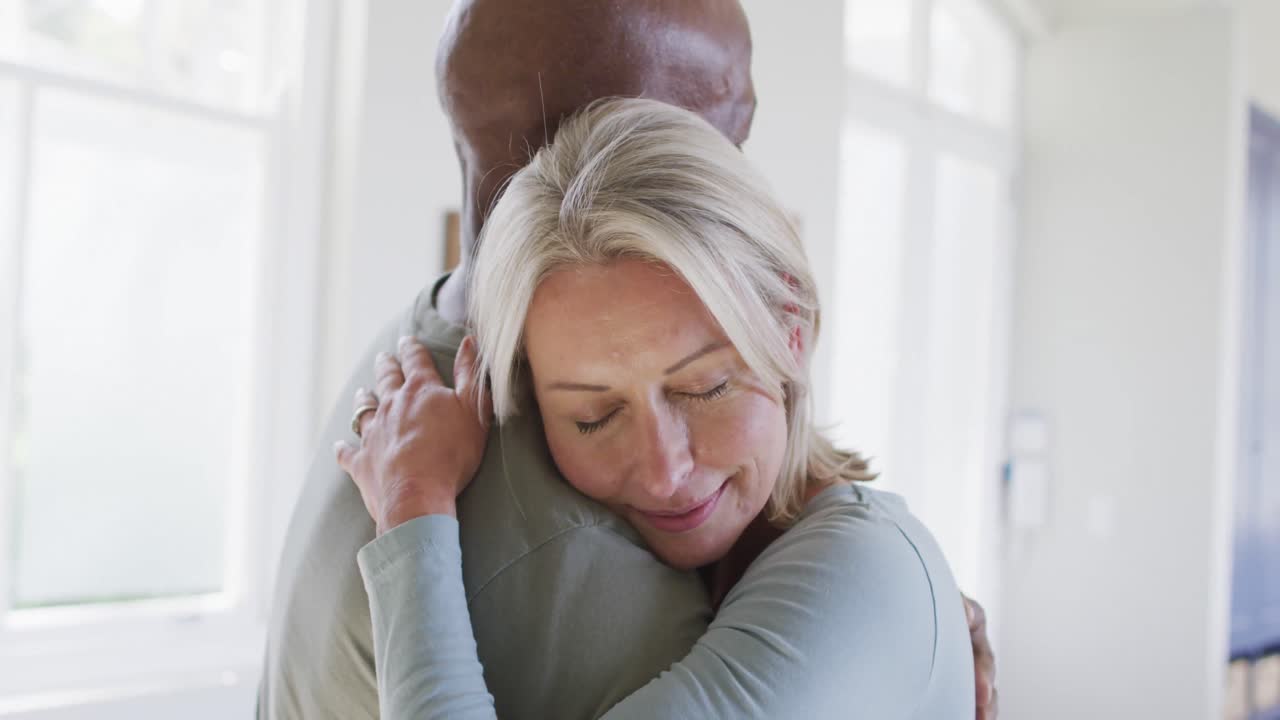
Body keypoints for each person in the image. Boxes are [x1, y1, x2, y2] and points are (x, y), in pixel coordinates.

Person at [259, 1, 998, 718]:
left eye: (707, 386)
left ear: (789, 328)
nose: (664, 471)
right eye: (594, 415)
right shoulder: (556, 546)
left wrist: (890, 597)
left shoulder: (410, 347)